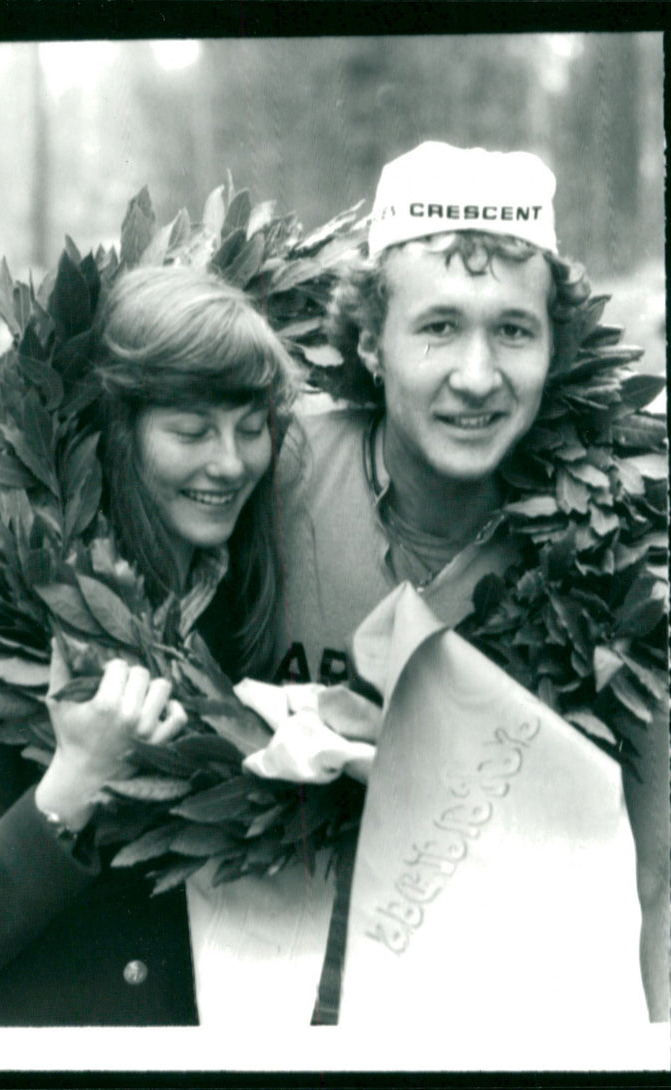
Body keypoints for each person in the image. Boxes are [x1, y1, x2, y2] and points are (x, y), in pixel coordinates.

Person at [273, 142, 668, 1023]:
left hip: (503, 1008)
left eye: (514, 331)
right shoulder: (276, 473)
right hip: (277, 992)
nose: (479, 377)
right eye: (439, 326)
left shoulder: (611, 542)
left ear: (555, 346)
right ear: (372, 341)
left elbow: (655, 875)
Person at [0, 265, 297, 1025]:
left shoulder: (247, 593)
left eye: (250, 425)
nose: (231, 462)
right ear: (121, 432)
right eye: (191, 429)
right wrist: (74, 780)